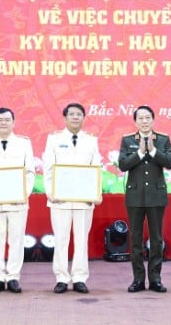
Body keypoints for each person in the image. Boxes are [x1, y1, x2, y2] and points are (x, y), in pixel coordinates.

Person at [42, 102, 101, 294]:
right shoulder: (54, 139)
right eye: (72, 114)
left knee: (81, 239)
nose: (75, 117)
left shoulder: (91, 140)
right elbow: (48, 168)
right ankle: (61, 278)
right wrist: (51, 192)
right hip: (60, 199)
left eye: (79, 114)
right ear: (65, 118)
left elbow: (96, 169)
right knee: (61, 239)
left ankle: (79, 278)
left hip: (84, 199)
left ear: (83, 118)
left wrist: (95, 194)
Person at [0, 107, 35, 294]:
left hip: (18, 202)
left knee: (16, 240)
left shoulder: (23, 143)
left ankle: (12, 277)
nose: (3, 123)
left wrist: (23, 194)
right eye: (0, 120)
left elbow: (30, 172)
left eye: (7, 119)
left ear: (13, 122)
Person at [118, 105, 171, 293]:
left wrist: (153, 151)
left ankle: (156, 279)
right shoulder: (128, 140)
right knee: (135, 239)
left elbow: (170, 163)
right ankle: (138, 280)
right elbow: (123, 165)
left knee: (156, 239)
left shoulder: (163, 139)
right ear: (135, 121)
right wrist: (140, 153)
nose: (144, 121)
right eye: (140, 118)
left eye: (148, 117)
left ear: (153, 120)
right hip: (135, 196)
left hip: (156, 196)